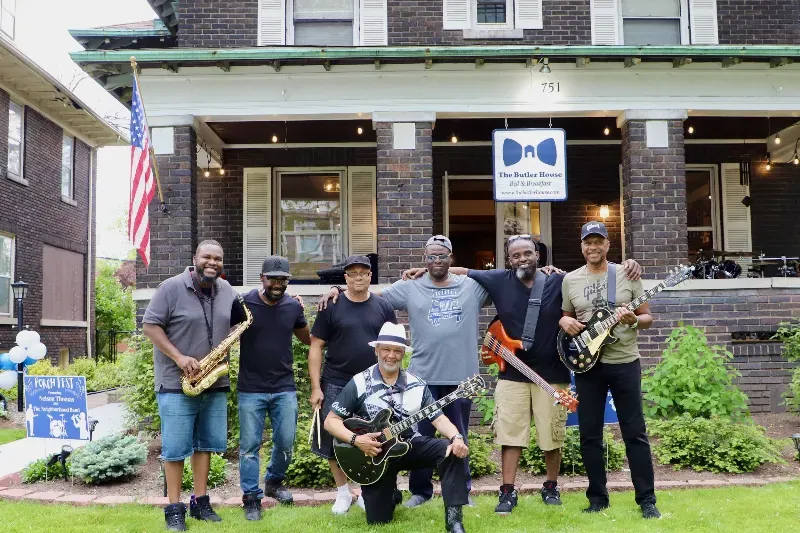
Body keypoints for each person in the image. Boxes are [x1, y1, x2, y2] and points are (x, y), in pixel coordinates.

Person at [403, 235, 641, 514]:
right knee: (510, 435)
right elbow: (463, 271)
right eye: (515, 255)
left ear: (538, 255)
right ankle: (507, 491)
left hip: (553, 373)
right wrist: (427, 269)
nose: (522, 259)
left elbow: (589, 282)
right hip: (512, 374)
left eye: (527, 253)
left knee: (552, 435)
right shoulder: (499, 280)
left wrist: (627, 266)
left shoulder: (557, 280)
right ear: (508, 258)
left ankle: (551, 486)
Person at [320, 235, 490, 508]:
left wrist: (465, 271)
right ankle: (420, 492)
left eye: (442, 256)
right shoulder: (410, 287)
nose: (436, 261)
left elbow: (503, 280)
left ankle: (462, 491)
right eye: (431, 256)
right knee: (416, 437)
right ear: (424, 258)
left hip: (461, 378)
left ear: (451, 257)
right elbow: (368, 296)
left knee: (458, 433)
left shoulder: (471, 286)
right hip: (421, 377)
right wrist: (340, 290)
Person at [323, 322, 470, 533]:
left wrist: (456, 436)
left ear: (403, 354)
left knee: (450, 450)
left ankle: (454, 521)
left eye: (397, 351)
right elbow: (331, 421)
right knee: (379, 521)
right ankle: (391, 494)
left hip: (409, 446)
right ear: (376, 350)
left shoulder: (417, 384)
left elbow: (438, 419)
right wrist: (357, 440)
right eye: (386, 349)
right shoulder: (359, 382)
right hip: (374, 453)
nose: (391, 355)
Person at [559, 221, 660, 519]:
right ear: (581, 246)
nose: (593, 247)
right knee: (589, 434)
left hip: (625, 362)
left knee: (635, 432)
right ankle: (597, 498)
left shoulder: (626, 274)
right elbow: (567, 316)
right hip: (588, 365)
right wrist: (563, 322)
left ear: (607, 245)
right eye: (588, 242)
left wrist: (633, 321)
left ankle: (647, 500)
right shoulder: (571, 280)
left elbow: (647, 317)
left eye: (598, 242)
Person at [143, 240, 245, 531]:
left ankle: (200, 502)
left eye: (218, 258)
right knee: (175, 450)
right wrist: (178, 357)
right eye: (207, 257)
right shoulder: (170, 288)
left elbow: (244, 319)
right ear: (195, 259)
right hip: (178, 383)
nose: (212, 263)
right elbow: (150, 326)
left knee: (206, 446)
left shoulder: (227, 291)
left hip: (214, 380)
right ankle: (174, 509)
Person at [309, 255, 397, 514]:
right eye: (353, 273)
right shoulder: (331, 305)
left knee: (372, 437)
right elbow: (316, 346)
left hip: (373, 383)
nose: (358, 277)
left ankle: (362, 490)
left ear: (370, 276)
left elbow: (393, 347)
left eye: (363, 273)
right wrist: (316, 387)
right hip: (336, 380)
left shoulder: (383, 307)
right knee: (335, 438)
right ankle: (342, 493)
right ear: (345, 277)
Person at [231, 256, 311, 520]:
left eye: (283, 279)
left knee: (286, 441)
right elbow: (225, 331)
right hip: (250, 388)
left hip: (284, 386)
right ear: (262, 279)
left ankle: (274, 483)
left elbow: (307, 338)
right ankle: (251, 498)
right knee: (250, 446)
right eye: (273, 279)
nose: (278, 284)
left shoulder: (292, 306)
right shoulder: (243, 303)